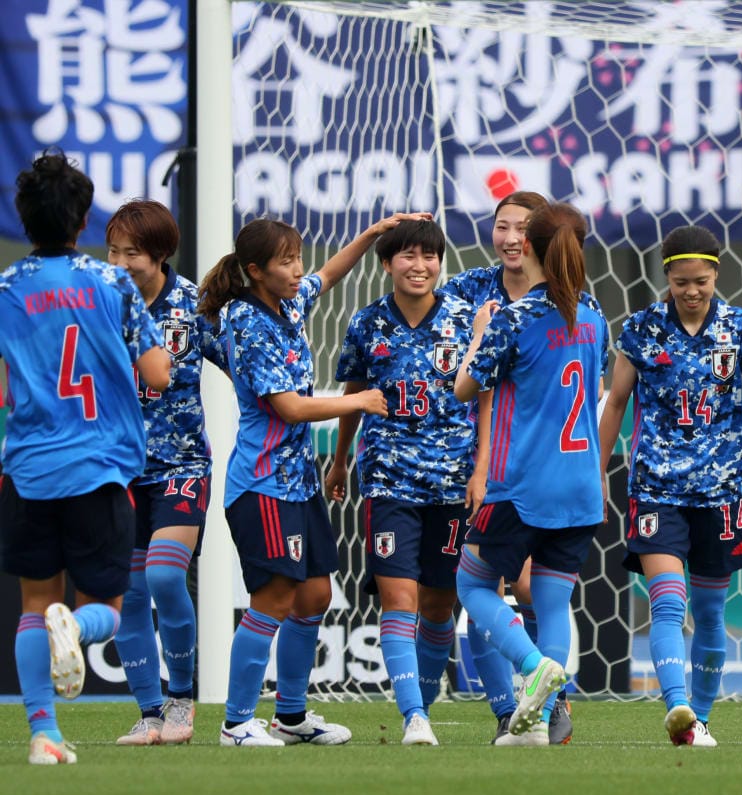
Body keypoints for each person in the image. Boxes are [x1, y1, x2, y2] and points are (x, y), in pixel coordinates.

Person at [198, 214, 430, 746]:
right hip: (263, 485)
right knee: (275, 597)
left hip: (298, 484)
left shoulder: (288, 299)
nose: (298, 269)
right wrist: (362, 399)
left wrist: (373, 235)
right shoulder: (246, 319)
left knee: (315, 596)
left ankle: (292, 716)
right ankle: (235, 723)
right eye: (286, 261)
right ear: (255, 271)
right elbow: (290, 408)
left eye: (297, 257)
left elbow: (329, 273)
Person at [0, 150, 171, 765]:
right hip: (100, 467)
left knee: (31, 605)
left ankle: (43, 735)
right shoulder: (112, 283)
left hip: (28, 469)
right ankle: (76, 628)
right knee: (105, 606)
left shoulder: (6, 289)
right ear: (81, 223)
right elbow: (157, 372)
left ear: (26, 219)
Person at [598, 224, 742, 747]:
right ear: (667, 278)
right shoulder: (640, 328)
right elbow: (615, 404)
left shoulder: (738, 328)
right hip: (655, 487)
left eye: (700, 280)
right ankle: (676, 703)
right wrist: (598, 470)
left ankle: (699, 719)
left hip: (720, 493)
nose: (692, 291)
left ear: (716, 274)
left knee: (709, 612)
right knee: (667, 603)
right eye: (680, 282)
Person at [454, 200, 608, 744]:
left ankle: (532, 667)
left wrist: (478, 333)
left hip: (523, 486)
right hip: (582, 486)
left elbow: (465, 388)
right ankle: (537, 726)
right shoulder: (594, 316)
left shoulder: (513, 317)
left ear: (535, 249)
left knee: (472, 584)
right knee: (552, 601)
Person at [324, 218, 482, 746]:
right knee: (399, 598)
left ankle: (425, 705)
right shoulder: (368, 323)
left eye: (430, 256)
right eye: (408, 256)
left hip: (454, 483)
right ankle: (413, 715)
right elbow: (353, 389)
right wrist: (341, 458)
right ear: (387, 263)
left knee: (440, 606)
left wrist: (484, 467)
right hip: (389, 480)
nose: (420, 266)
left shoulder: (464, 320)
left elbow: (486, 395)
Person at [105, 200, 227, 746]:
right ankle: (150, 713)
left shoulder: (192, 309)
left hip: (182, 466)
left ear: (160, 254)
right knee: (127, 595)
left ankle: (182, 701)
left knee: (162, 577)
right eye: (113, 250)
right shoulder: (100, 303)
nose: (121, 261)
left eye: (132, 251)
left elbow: (241, 363)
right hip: (117, 470)